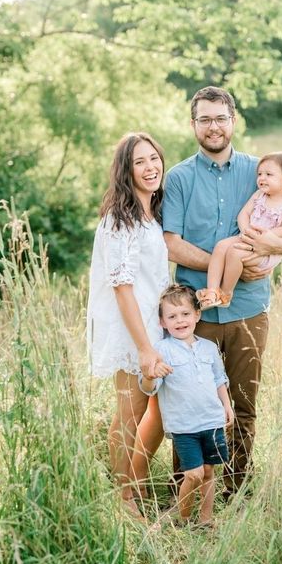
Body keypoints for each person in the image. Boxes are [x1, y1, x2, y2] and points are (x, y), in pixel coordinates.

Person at [161, 86, 282, 499]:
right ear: (193, 125)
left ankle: (235, 491)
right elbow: (171, 243)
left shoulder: (260, 170)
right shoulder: (180, 178)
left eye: (220, 118)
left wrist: (270, 249)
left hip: (248, 309)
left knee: (242, 404)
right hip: (196, 314)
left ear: (233, 120)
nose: (213, 126)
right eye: (204, 119)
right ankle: (185, 492)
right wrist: (228, 263)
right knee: (192, 405)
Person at [86, 132, 172, 518]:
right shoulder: (120, 220)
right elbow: (122, 289)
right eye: (140, 162)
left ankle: (134, 483)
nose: (150, 167)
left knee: (160, 409)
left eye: (154, 158)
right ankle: (123, 501)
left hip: (156, 326)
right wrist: (144, 346)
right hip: (132, 330)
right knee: (129, 412)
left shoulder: (151, 215)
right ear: (126, 170)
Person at [139, 284, 234, 525]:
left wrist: (227, 405)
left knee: (209, 472)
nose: (180, 321)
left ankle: (205, 519)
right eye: (172, 316)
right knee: (193, 474)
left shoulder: (209, 348)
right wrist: (151, 375)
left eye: (185, 314)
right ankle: (181, 519)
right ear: (162, 322)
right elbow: (149, 388)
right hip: (184, 426)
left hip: (211, 421)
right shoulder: (161, 351)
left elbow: (219, 379)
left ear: (197, 315)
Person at [196, 151, 282, 311]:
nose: (262, 178)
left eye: (268, 174)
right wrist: (246, 230)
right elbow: (244, 214)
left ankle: (225, 294)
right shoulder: (260, 195)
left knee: (234, 253)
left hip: (267, 249)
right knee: (221, 246)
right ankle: (212, 291)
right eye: (260, 174)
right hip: (247, 237)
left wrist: (266, 238)